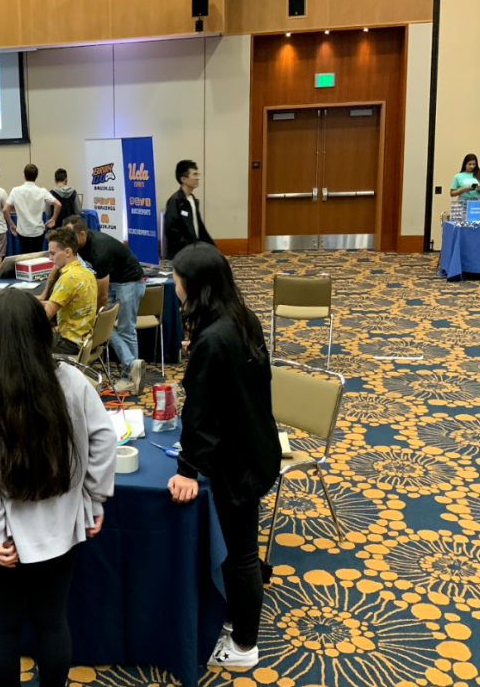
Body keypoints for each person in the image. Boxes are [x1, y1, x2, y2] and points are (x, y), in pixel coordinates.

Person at [0, 289, 116, 687]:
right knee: (52, 621)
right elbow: (104, 438)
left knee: (2, 624)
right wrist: (93, 498)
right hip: (60, 526)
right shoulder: (71, 379)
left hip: (4, 535)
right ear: (42, 330)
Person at [167, 243, 281, 670]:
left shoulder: (214, 340)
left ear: (195, 285)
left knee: (241, 556)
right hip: (255, 444)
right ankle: (236, 617)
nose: (173, 285)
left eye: (177, 279)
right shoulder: (238, 319)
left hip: (237, 462)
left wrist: (187, 469)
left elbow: (201, 414)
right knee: (241, 552)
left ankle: (244, 646)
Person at [60, 215, 147, 394]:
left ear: (82, 235)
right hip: (115, 281)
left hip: (129, 282)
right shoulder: (78, 243)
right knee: (103, 326)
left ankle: (129, 378)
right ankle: (132, 366)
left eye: (71, 237)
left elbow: (102, 295)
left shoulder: (100, 250)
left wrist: (99, 314)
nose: (68, 242)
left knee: (124, 329)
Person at [42, 228, 97, 357]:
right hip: (84, 339)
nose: (50, 258)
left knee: (25, 346)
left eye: (52, 253)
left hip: (69, 344)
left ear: (67, 252)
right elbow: (61, 302)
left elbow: (44, 317)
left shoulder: (68, 279)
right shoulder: (87, 272)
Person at [5, 164, 61, 255]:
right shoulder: (42, 191)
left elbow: (5, 209)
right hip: (38, 231)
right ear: (36, 176)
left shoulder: (15, 190)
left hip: (23, 232)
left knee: (25, 256)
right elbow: (58, 204)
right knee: (37, 257)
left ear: (24, 175)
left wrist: (11, 224)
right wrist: (53, 219)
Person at [163, 160, 214, 260]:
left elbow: (199, 227)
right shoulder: (175, 201)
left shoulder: (193, 201)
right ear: (184, 179)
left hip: (193, 250)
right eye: (194, 174)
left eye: (197, 174)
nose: (197, 178)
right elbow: (170, 230)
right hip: (181, 254)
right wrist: (187, 246)